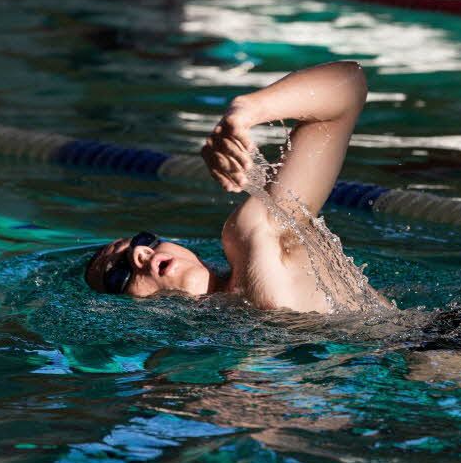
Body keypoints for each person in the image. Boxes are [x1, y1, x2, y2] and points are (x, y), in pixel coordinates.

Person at [83, 61, 389, 314]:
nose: (141, 253)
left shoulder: (256, 237)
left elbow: (350, 86)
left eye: (143, 239)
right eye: (117, 274)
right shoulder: (230, 336)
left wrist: (247, 110)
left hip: (429, 351)